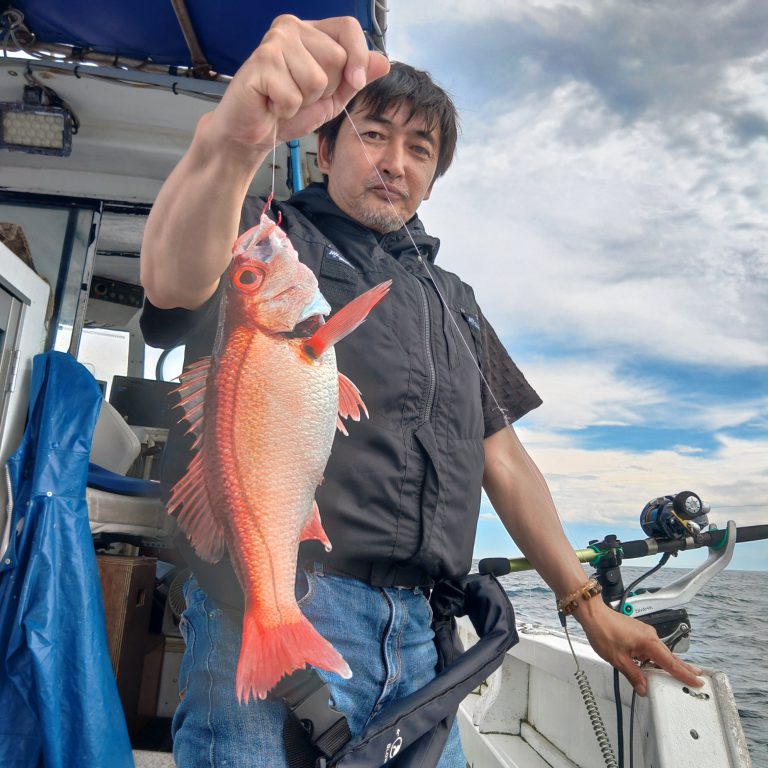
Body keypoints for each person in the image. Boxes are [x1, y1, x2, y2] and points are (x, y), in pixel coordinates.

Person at [140, 15, 702, 768]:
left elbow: (502, 460)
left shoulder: (455, 301)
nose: (394, 163)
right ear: (325, 147)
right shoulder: (271, 246)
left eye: (420, 149)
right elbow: (175, 279)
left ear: (434, 177)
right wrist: (232, 142)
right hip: (285, 600)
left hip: (425, 641)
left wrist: (586, 605)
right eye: (374, 135)